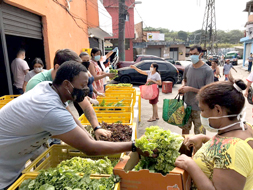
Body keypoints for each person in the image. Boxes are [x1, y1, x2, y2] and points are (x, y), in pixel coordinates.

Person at [0, 61, 155, 190]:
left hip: (12, 161)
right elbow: (90, 149)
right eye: (82, 85)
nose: (86, 91)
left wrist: (91, 133)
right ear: (67, 84)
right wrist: (133, 146)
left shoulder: (49, 88)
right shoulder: (50, 108)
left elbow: (70, 116)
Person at [175, 77, 253, 190]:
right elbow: (225, 146)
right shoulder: (245, 128)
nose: (202, 115)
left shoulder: (234, 150)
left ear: (217, 110)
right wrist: (205, 138)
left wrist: (190, 165)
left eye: (202, 110)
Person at [26, 49, 110, 141]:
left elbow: (85, 106)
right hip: (36, 136)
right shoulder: (37, 84)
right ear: (58, 68)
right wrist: (88, 139)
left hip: (54, 131)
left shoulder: (67, 82)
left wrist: (96, 128)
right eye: (73, 73)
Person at [178, 45, 214, 135]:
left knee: (199, 133)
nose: (192, 56)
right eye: (190, 54)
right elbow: (185, 80)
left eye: (195, 54)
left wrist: (190, 89)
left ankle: (197, 149)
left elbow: (208, 91)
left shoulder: (207, 70)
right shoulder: (187, 68)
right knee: (185, 131)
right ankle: (186, 148)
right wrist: (183, 87)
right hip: (186, 105)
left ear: (201, 54)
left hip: (200, 108)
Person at [73, 52, 105, 116]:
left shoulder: (86, 70)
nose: (86, 62)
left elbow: (89, 84)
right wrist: (89, 99)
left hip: (88, 97)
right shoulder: (78, 72)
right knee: (85, 116)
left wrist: (96, 92)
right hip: (81, 98)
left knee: (89, 115)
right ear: (79, 61)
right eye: (84, 60)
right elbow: (78, 89)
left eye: (88, 60)